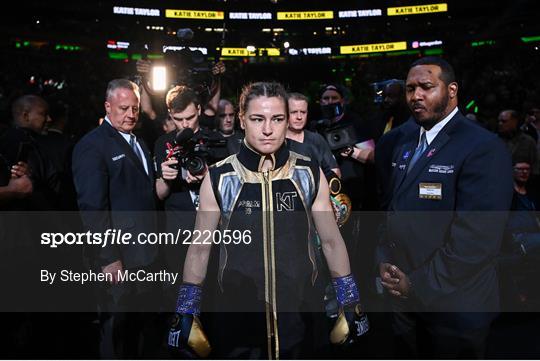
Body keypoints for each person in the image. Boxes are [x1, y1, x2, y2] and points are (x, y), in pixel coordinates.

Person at [168, 82, 368, 359]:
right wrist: (186, 310)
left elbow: (332, 241)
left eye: (277, 119)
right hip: (238, 318)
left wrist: (350, 301)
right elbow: (200, 248)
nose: (267, 129)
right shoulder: (218, 177)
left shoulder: (309, 173)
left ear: (287, 120)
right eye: (257, 119)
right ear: (242, 119)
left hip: (301, 314)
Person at [377, 57, 513, 358]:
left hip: (455, 307)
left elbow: (477, 239)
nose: (416, 96)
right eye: (410, 89)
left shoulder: (483, 147)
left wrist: (416, 283)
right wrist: (384, 259)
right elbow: (390, 210)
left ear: (452, 91)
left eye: (427, 87)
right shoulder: (398, 142)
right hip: (403, 301)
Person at [72, 79, 162, 358]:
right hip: (118, 258)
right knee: (116, 334)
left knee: (139, 330)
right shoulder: (92, 146)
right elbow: (93, 210)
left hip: (145, 253)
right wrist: (108, 257)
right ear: (107, 107)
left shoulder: (138, 140)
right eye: (123, 108)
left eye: (134, 108)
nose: (131, 114)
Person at [286, 92, 340, 179]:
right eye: (294, 112)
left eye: (303, 112)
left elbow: (335, 171)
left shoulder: (316, 139)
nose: (299, 117)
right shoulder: (275, 141)